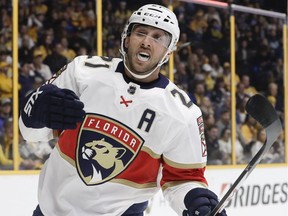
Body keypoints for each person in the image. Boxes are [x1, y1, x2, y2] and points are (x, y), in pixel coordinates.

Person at [19, 4, 227, 216]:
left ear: (168, 51)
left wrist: (195, 200)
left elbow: (184, 179)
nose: (147, 41)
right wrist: (34, 113)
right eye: (141, 32)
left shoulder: (183, 113)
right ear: (126, 39)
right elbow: (29, 133)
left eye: (158, 37)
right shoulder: (82, 72)